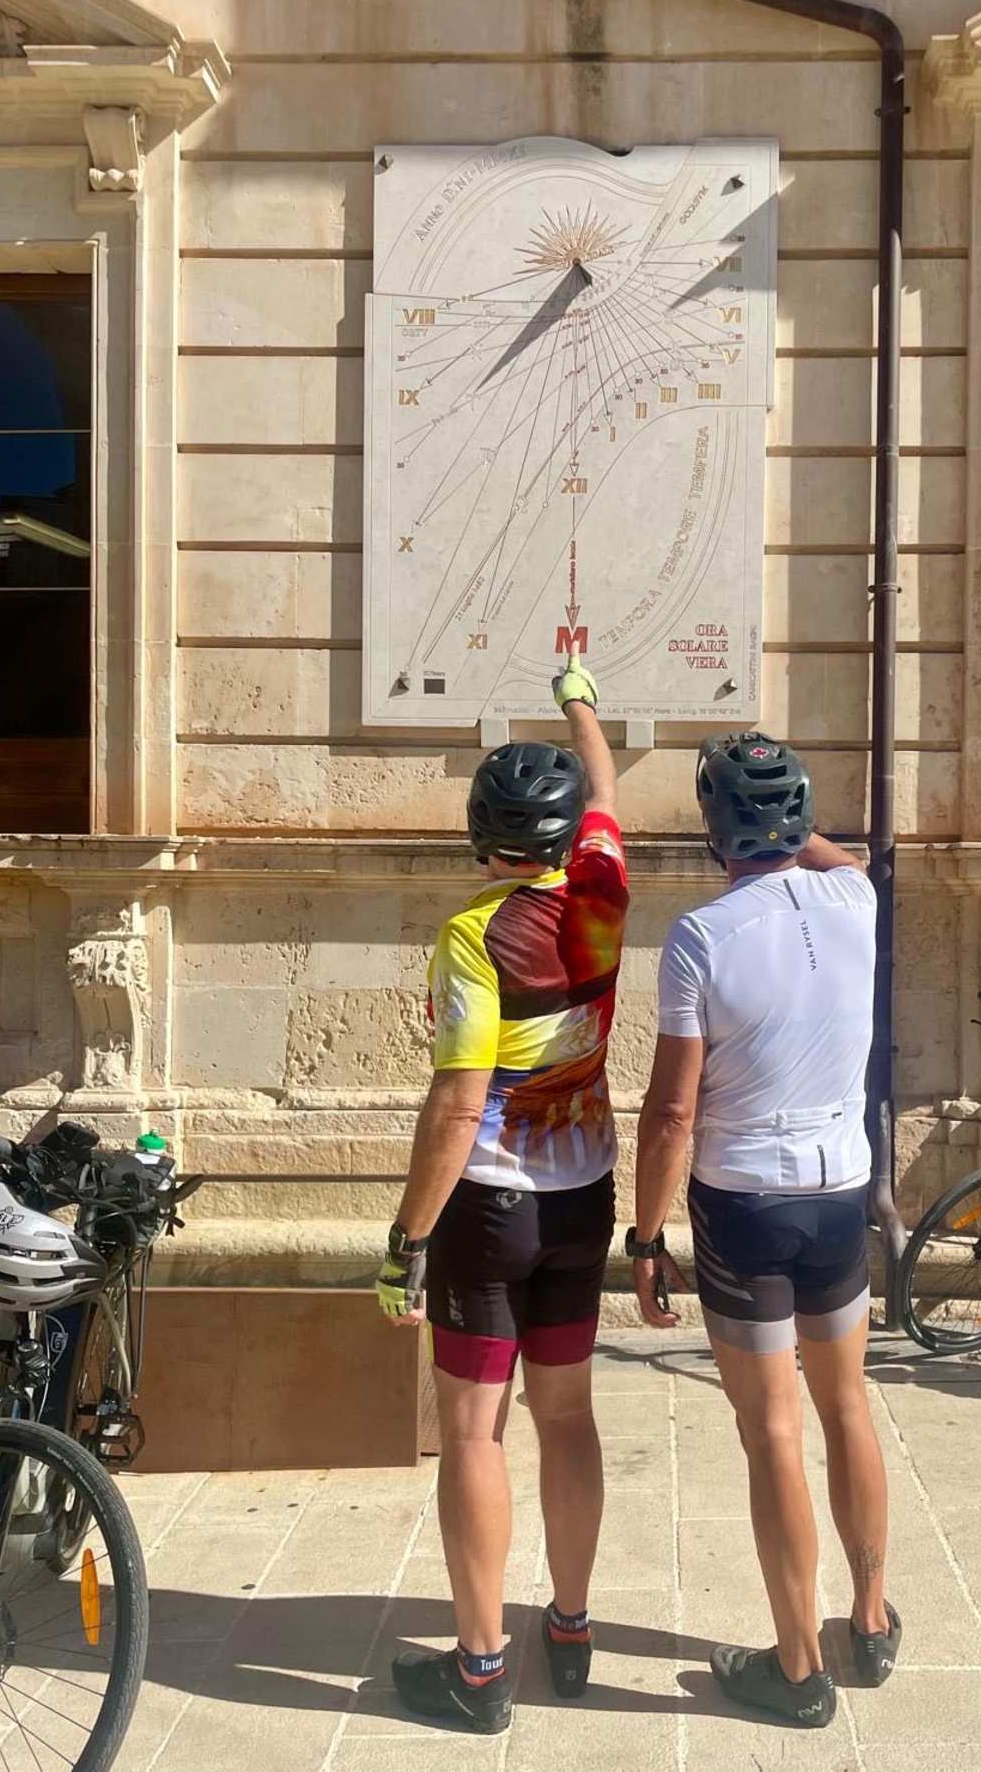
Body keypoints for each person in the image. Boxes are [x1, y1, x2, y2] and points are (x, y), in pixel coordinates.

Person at [375, 653, 628, 1736]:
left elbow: (456, 1101)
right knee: (565, 1418)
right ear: (568, 837)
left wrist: (404, 1237)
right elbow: (608, 787)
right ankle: (567, 1627)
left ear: (483, 841)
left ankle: (482, 1669)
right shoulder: (605, 888)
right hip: (584, 1199)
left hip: (487, 1207)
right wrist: (577, 691)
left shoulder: (475, 934)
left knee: (475, 1433)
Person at [628, 732, 899, 1729]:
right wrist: (796, 822)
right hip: (839, 1192)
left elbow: (668, 1114)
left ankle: (796, 1666)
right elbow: (846, 859)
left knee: (772, 1430)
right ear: (798, 816)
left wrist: (646, 1237)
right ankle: (868, 1621)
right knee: (846, 1410)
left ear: (714, 829)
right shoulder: (857, 901)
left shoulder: (702, 936)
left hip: (742, 1201)